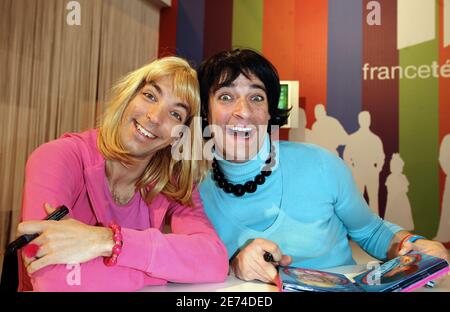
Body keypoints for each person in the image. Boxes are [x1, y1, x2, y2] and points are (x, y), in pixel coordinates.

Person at [196, 49, 449, 284]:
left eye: (257, 97)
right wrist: (233, 266)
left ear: (270, 112)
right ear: (205, 111)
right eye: (226, 97)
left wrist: (411, 245)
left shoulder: (321, 165)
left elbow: (370, 231)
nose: (243, 111)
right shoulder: (191, 190)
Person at [16, 56, 228, 291]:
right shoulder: (57, 158)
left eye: (176, 114)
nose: (155, 117)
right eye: (150, 96)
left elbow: (214, 261)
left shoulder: (171, 181)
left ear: (179, 135)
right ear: (128, 97)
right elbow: (52, 277)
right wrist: (162, 273)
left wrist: (108, 241)